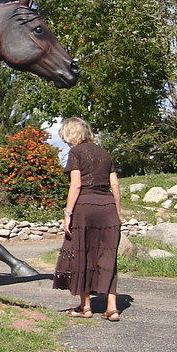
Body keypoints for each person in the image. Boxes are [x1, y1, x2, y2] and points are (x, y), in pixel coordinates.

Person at [53, 117, 123, 321]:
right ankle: (112, 308)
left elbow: (75, 185)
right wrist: (118, 212)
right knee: (108, 256)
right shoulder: (105, 153)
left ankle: (86, 307)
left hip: (84, 207)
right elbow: (116, 185)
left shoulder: (76, 153)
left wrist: (67, 214)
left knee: (83, 253)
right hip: (107, 208)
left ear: (70, 135)